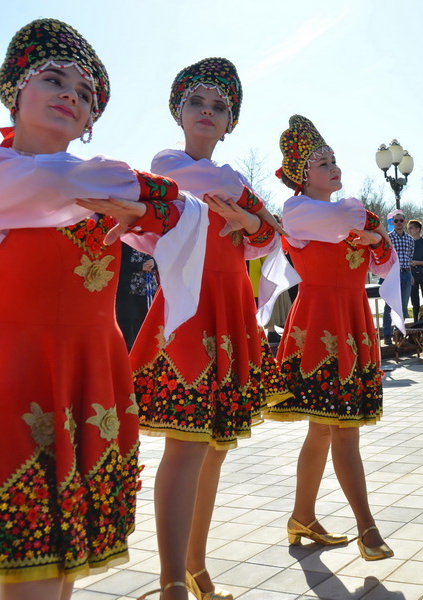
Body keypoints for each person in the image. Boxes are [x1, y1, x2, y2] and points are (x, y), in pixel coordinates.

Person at [0, 18, 195, 600]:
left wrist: (145, 214)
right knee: (27, 566)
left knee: (61, 570)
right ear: (14, 90)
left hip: (92, 374)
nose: (71, 95)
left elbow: (185, 214)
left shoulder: (110, 188)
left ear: (89, 122)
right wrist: (148, 208)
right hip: (15, 374)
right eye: (54, 79)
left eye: (85, 95)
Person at [128, 58, 290, 600]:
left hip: (230, 308)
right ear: (178, 112)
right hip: (190, 310)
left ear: (230, 124)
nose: (206, 111)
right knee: (186, 446)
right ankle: (172, 578)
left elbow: (271, 242)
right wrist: (255, 216)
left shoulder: (233, 181)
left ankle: (195, 566)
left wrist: (254, 222)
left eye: (219, 107)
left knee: (215, 447)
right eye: (196, 102)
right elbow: (255, 219)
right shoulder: (170, 163)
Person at [267, 115, 399, 561]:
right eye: (322, 163)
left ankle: (302, 515)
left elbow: (384, 264)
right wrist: (372, 231)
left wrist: (376, 238)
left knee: (324, 431)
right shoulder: (298, 211)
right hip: (320, 324)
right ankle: (368, 528)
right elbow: (345, 220)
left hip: (353, 320)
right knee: (342, 430)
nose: (333, 168)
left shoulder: (350, 213)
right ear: (302, 176)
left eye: (334, 160)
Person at [116, 244, 158, 350]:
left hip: (148, 291)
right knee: (127, 324)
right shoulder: (125, 240)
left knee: (146, 324)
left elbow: (166, 257)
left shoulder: (153, 236)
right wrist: (139, 267)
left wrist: (154, 263)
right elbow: (117, 263)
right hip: (127, 291)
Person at [382, 209, 414, 344]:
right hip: (392, 274)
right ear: (392, 223)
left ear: (404, 222)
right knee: (389, 305)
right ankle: (387, 334)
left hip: (406, 273)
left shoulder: (410, 239)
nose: (399, 223)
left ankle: (399, 333)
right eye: (396, 221)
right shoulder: (388, 237)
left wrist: (410, 274)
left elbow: (410, 256)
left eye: (401, 220)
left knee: (403, 305)